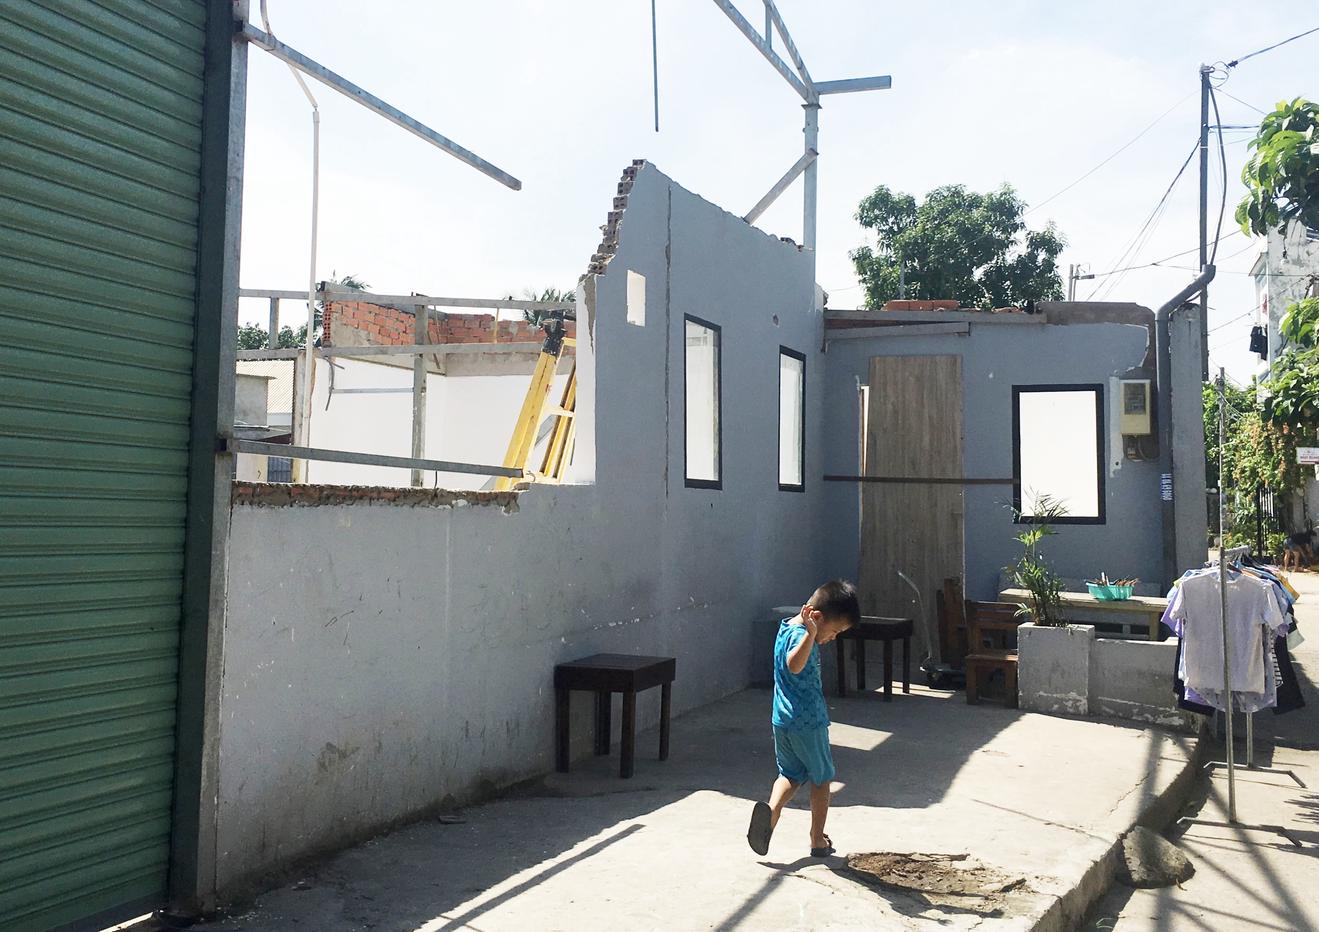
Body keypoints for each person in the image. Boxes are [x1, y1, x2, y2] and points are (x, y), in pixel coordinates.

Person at [747, 579, 860, 858]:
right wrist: (811, 635)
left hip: (782, 720)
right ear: (816, 618)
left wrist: (812, 634)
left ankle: (770, 814)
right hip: (808, 723)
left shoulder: (786, 627)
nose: (833, 638)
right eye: (835, 631)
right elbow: (794, 665)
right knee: (821, 779)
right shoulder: (803, 635)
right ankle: (817, 839)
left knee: (790, 774)